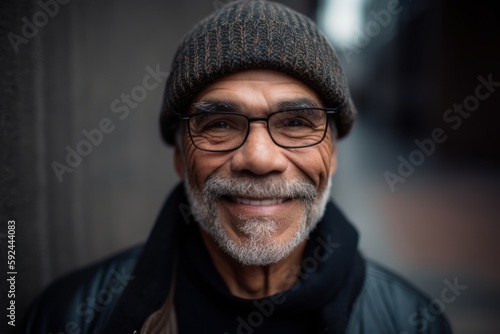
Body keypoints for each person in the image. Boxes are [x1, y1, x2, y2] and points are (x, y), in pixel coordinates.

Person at [23, 1, 452, 333]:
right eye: (220, 124)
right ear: (179, 155)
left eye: (297, 123)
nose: (260, 159)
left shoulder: (412, 321)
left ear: (333, 154)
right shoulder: (66, 316)